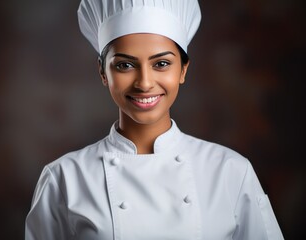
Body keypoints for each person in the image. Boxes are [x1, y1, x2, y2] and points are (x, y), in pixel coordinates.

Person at [25, 0, 284, 239]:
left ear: (183, 69)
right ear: (103, 73)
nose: (145, 83)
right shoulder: (64, 178)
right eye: (125, 65)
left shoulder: (230, 171)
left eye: (161, 64)